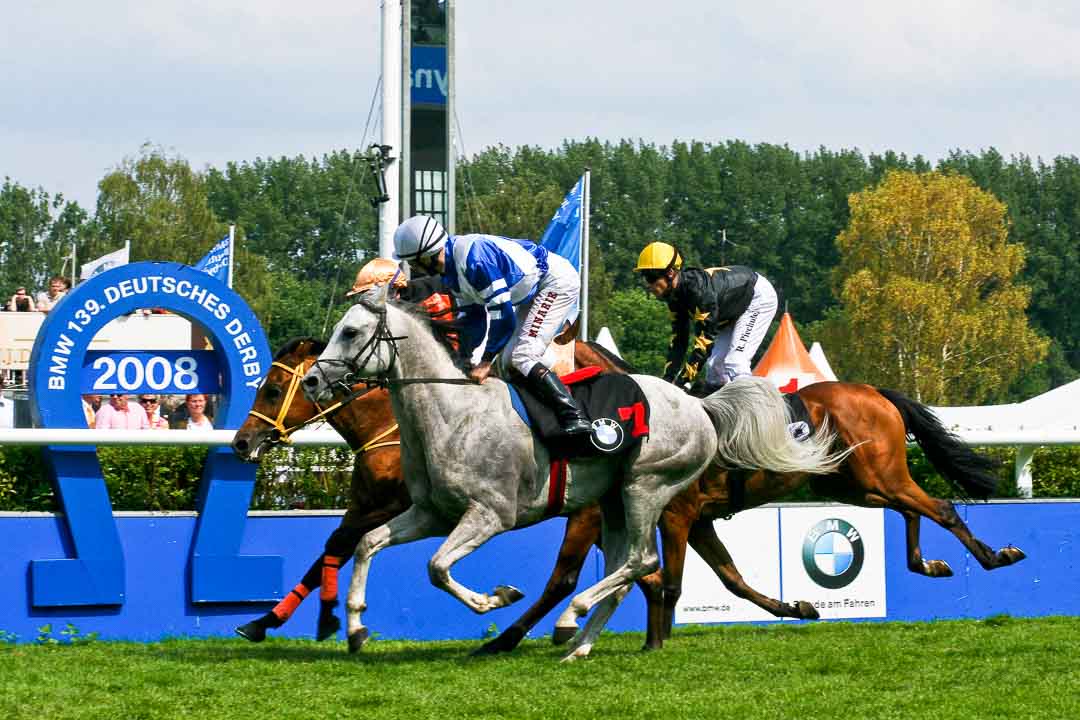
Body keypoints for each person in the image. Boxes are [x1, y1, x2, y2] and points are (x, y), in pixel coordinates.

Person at [392, 215, 591, 436]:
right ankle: (541, 414)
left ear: (426, 256)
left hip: (555, 283)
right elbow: (473, 319)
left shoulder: (474, 261)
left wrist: (486, 361)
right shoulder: (451, 274)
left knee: (523, 356)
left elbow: (503, 317)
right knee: (508, 362)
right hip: (532, 291)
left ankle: (574, 415)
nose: (412, 267)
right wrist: (463, 358)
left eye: (412, 262)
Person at [634, 242, 778, 396]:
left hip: (757, 298)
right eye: (644, 278)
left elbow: (704, 344)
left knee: (736, 362)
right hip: (730, 309)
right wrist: (668, 380)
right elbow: (679, 342)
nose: (648, 285)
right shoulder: (674, 297)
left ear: (670, 273)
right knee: (714, 368)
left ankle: (755, 408)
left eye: (650, 278)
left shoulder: (700, 294)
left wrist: (681, 382)